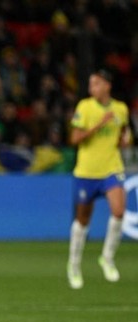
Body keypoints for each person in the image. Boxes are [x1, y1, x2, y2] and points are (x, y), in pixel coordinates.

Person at [67, 69, 132, 289]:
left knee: (119, 211)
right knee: (82, 220)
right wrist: (99, 125)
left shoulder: (121, 109)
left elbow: (123, 132)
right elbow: (74, 138)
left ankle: (107, 257)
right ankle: (74, 264)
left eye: (96, 83)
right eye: (90, 84)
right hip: (86, 172)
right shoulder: (85, 107)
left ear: (107, 85)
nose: (91, 88)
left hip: (111, 168)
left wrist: (125, 140)